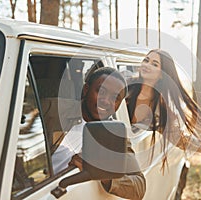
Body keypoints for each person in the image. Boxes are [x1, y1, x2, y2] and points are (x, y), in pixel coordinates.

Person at [126, 49, 201, 166]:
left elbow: (182, 140)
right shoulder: (123, 85)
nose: (147, 65)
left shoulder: (162, 109)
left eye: (154, 64)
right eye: (146, 60)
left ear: (162, 74)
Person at [52, 67, 146, 200]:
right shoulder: (54, 110)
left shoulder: (114, 134)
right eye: (101, 91)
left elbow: (139, 187)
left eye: (115, 98)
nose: (106, 101)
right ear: (86, 89)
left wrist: (101, 173)